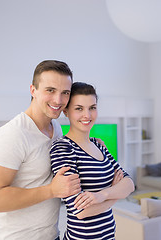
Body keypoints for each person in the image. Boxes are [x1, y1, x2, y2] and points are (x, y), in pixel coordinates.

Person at [0, 60, 82, 240]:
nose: (59, 100)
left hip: (50, 235)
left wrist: (93, 143)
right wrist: (51, 190)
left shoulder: (55, 128)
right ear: (33, 90)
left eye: (65, 93)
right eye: (50, 90)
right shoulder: (12, 134)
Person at [50, 82, 135, 240]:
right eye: (79, 108)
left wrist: (103, 195)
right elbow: (81, 212)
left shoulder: (99, 145)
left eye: (92, 107)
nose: (87, 115)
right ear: (66, 112)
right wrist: (116, 194)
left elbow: (129, 183)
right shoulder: (63, 148)